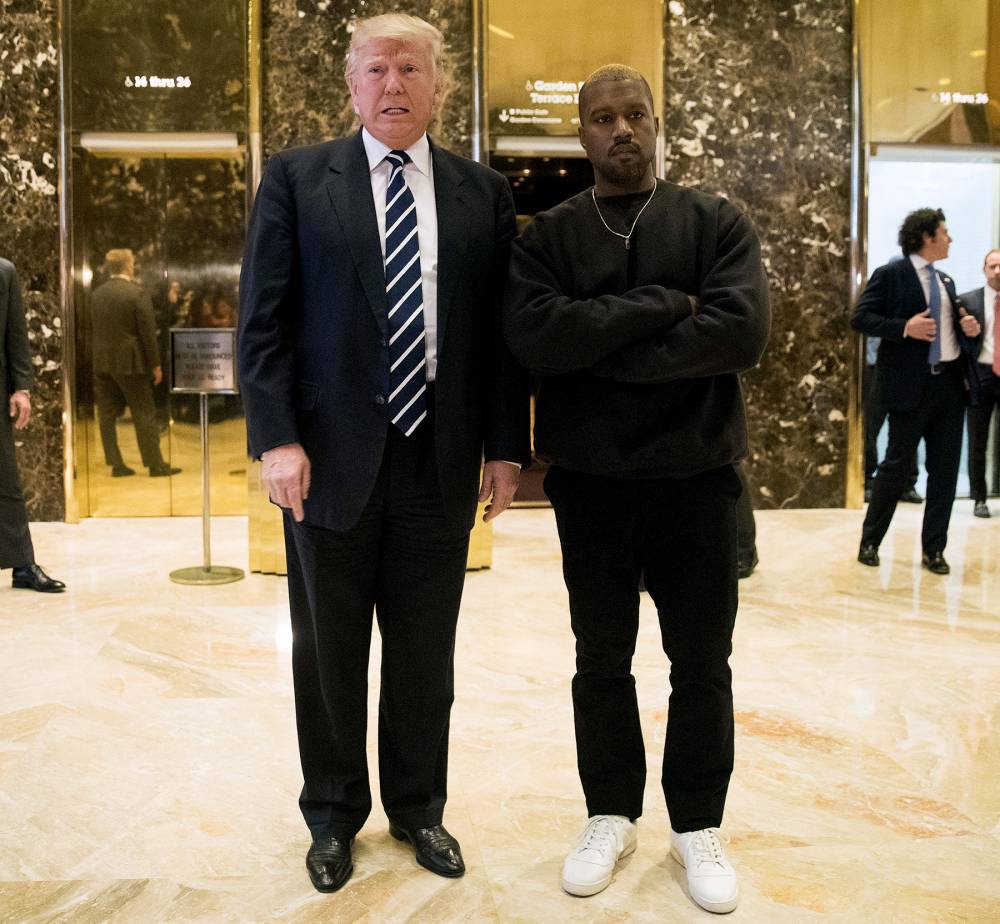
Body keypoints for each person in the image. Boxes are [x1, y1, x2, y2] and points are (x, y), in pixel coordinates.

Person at [237, 13, 529, 895]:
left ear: (438, 83)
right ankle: (331, 814)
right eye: (375, 70)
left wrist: (507, 448)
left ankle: (417, 806)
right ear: (351, 85)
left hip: (441, 461)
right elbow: (264, 323)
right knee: (327, 653)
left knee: (422, 653)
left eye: (409, 68)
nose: (392, 85)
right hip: (326, 463)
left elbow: (501, 339)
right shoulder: (296, 180)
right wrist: (277, 438)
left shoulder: (484, 194)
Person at [504, 64, 770, 915]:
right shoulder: (548, 235)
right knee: (601, 660)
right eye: (602, 118)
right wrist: (662, 304)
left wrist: (600, 354)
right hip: (593, 490)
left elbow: (739, 332)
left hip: (697, 483)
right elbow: (536, 337)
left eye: (635, 114)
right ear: (580, 135)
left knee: (702, 664)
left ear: (658, 124)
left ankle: (698, 824)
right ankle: (610, 812)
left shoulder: (714, 221)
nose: (621, 129)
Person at [852, 209, 981, 574]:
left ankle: (934, 550)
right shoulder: (891, 275)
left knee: (943, 472)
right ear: (926, 236)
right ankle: (870, 542)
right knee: (894, 469)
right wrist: (904, 327)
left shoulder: (946, 280)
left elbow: (946, 329)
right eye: (945, 232)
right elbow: (860, 318)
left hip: (950, 388)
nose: (950, 238)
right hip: (910, 389)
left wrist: (966, 327)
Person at [0, 258, 65, 593]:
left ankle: (23, 565)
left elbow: (16, 334)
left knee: (6, 482)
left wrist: (21, 388)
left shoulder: (4, 271)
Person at [91, 248, 180, 478]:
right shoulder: (136, 294)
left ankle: (116, 464)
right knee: (144, 412)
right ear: (128, 266)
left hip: (102, 361)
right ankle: (154, 463)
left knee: (107, 415)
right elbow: (147, 333)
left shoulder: (96, 294)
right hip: (131, 362)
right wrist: (155, 364)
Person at [961, 248, 1000, 518]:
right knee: (978, 440)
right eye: (993, 266)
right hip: (981, 376)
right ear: (984, 269)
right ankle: (979, 498)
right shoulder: (968, 300)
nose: (998, 271)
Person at [863, 334, 922, 504]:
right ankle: (867, 480)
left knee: (907, 427)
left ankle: (907, 483)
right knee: (869, 426)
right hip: (874, 366)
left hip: (905, 367)